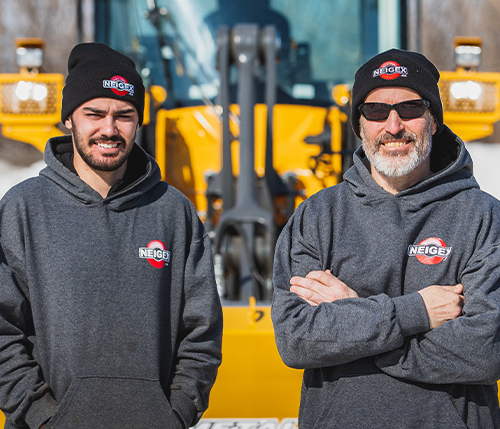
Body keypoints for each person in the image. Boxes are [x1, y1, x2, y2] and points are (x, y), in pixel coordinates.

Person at [272, 48, 500, 429]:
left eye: (410, 108)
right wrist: (416, 313)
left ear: (434, 121)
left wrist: (352, 311)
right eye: (376, 111)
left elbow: (486, 350)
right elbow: (296, 339)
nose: (393, 126)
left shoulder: (484, 217)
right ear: (360, 126)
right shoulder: (317, 216)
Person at [0, 43, 223, 429]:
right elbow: (4, 330)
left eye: (124, 115)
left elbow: (201, 331)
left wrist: (176, 412)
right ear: (69, 119)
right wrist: (41, 416)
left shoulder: (174, 211)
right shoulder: (23, 208)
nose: (109, 128)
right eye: (94, 114)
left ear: (138, 122)